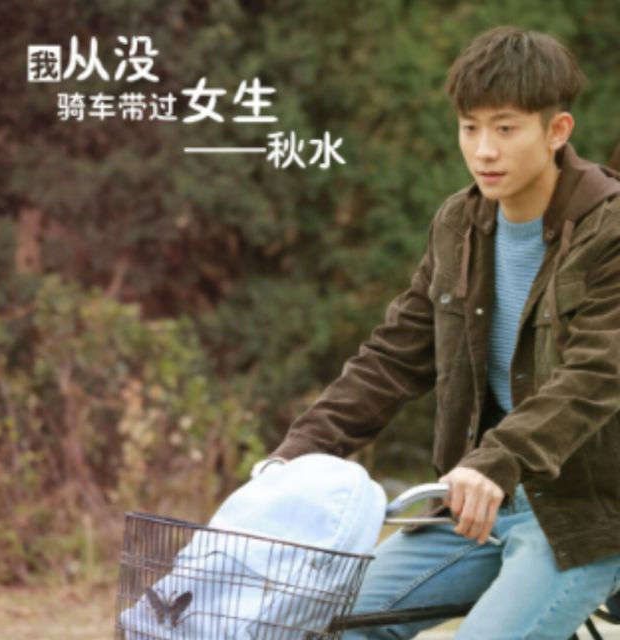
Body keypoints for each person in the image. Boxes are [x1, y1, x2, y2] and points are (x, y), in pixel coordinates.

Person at [255, 26, 620, 639]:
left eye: (505, 128)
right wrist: (295, 455)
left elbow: (597, 374)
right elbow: (393, 357)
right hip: (474, 510)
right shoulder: (459, 225)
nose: (484, 151)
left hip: (584, 514)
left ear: (557, 131)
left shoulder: (609, 231)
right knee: (337, 624)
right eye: (469, 128)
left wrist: (497, 461)